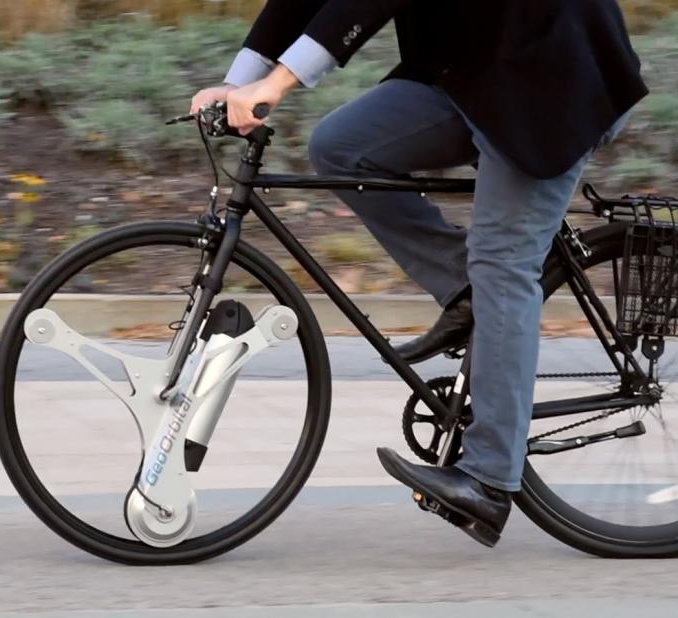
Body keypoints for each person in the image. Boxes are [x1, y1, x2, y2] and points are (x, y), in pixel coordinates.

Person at [190, 1, 648, 547]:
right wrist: (236, 83)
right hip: (472, 73)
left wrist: (278, 84)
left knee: (504, 264)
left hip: (549, 76)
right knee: (341, 148)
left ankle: (488, 479)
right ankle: (467, 290)